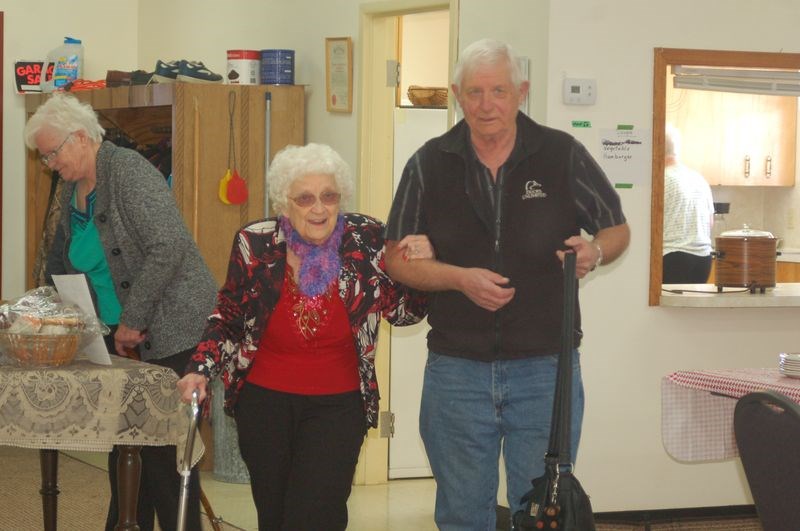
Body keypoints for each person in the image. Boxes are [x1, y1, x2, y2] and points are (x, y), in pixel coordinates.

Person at [384, 38, 630, 530]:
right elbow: (394, 260)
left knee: (543, 510)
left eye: (498, 90)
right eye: (474, 92)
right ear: (457, 95)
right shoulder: (429, 163)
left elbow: (616, 228)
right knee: (461, 512)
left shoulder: (562, 154)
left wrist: (595, 250)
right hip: (457, 370)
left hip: (546, 367)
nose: (486, 104)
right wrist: (457, 279)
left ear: (521, 91)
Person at [177, 143, 430, 531]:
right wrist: (199, 369)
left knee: (317, 514)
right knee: (274, 515)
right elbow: (228, 316)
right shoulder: (255, 243)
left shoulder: (367, 241)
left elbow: (403, 313)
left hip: (339, 405)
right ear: (284, 203)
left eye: (329, 196)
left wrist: (420, 268)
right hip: (264, 404)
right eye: (306, 198)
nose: (319, 208)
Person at [23, 93, 217, 531]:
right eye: (43, 156)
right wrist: (49, 316)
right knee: (126, 450)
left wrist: (135, 319)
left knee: (164, 459)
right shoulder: (73, 189)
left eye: (52, 153)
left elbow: (169, 246)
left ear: (80, 138)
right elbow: (58, 262)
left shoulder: (128, 171)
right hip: (121, 336)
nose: (49, 163)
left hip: (171, 329)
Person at [662, 123, 715, 284]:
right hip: (703, 259)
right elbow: (710, 222)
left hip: (673, 257)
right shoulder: (698, 179)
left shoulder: (662, 179)